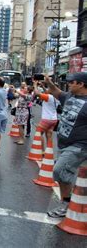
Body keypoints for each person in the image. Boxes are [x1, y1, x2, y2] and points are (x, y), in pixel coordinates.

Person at [44, 72, 87, 218]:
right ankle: (67, 202)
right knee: (63, 174)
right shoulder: (69, 96)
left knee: (59, 170)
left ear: (81, 84)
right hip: (63, 143)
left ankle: (67, 203)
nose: (69, 84)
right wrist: (49, 83)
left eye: (72, 82)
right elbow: (56, 91)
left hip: (79, 145)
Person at [32, 81, 59, 149]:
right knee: (49, 135)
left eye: (49, 88)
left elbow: (37, 93)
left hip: (46, 119)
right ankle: (49, 153)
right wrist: (42, 86)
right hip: (54, 119)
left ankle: (42, 152)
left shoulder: (48, 97)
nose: (47, 89)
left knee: (39, 134)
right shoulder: (57, 98)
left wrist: (35, 85)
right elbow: (47, 92)